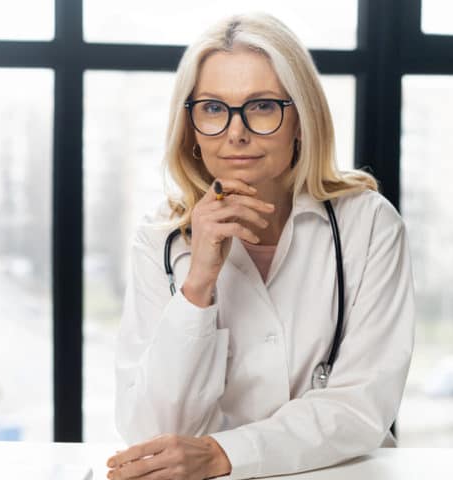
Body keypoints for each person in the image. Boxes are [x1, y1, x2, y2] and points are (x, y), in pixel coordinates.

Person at [108, 12, 415, 480]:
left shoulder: (368, 224)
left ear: (301, 118)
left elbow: (362, 405)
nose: (236, 132)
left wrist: (221, 454)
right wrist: (199, 283)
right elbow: (154, 434)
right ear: (189, 126)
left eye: (263, 106)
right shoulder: (161, 240)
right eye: (212, 108)